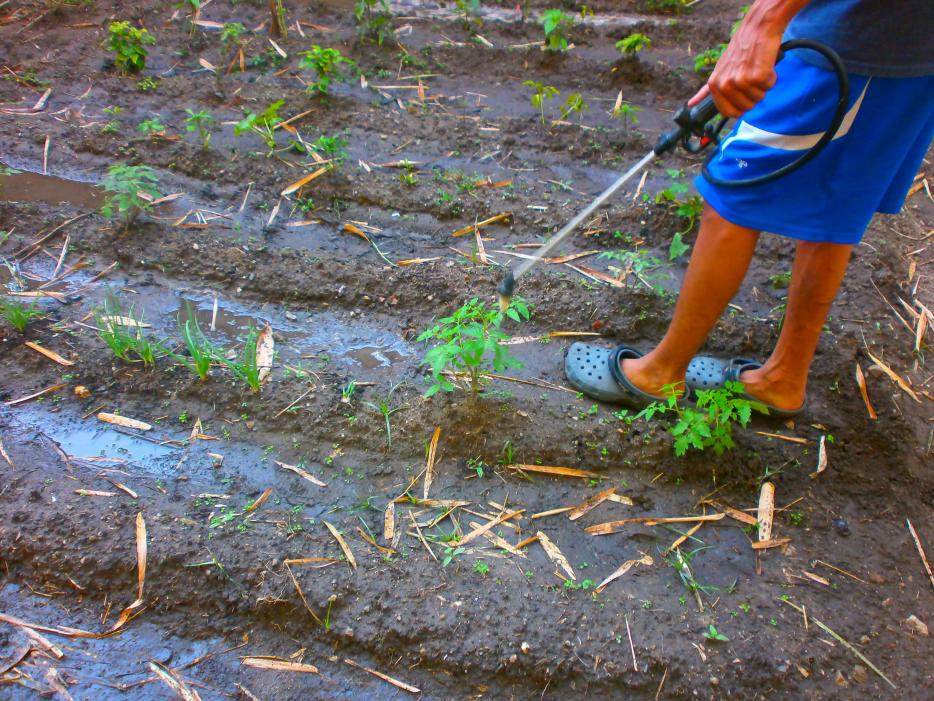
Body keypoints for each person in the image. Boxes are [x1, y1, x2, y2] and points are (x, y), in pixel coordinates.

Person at [564, 0, 934, 416]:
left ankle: (660, 373)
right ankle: (782, 379)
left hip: (859, 41)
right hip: (908, 50)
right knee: (834, 204)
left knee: (733, 188)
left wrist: (764, 19)